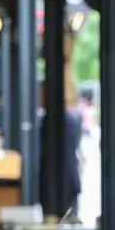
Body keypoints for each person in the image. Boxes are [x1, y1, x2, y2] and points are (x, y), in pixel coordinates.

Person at [38, 90, 84, 218]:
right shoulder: (75, 119)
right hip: (71, 179)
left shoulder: (47, 121)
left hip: (52, 184)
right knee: (71, 222)